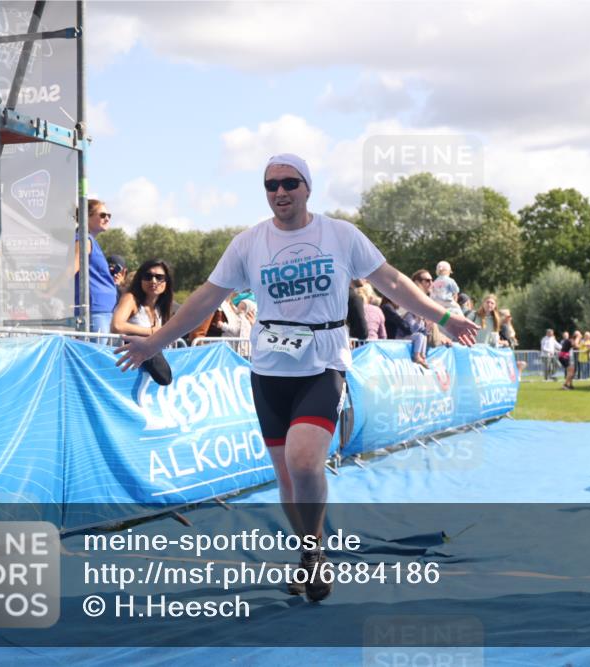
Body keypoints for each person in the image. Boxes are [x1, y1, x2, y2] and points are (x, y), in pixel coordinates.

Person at [116, 155, 477, 603]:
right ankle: (310, 549)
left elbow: (393, 283)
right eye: (271, 186)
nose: (280, 192)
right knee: (287, 478)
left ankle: (315, 552)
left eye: (289, 183)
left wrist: (443, 316)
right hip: (269, 369)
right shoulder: (249, 243)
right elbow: (207, 298)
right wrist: (155, 342)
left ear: (308, 187)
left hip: (323, 363)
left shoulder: (340, 235)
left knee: (306, 462)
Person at [75, 199, 119, 333]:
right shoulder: (83, 239)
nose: (107, 219)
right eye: (102, 215)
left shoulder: (90, 240)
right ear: (85, 216)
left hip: (105, 310)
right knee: (96, 353)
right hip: (95, 311)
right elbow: (73, 267)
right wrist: (50, 291)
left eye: (108, 216)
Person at [111, 259, 174, 336]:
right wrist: (151, 332)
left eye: (159, 277)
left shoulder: (161, 307)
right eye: (148, 276)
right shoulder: (130, 299)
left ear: (167, 281)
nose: (153, 281)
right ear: (140, 279)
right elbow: (117, 326)